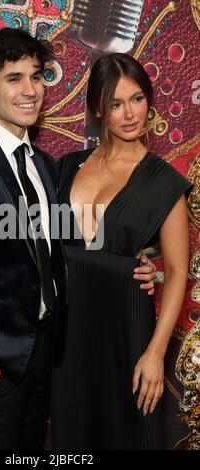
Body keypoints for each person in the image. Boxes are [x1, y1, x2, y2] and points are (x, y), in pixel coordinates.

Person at [0, 29, 155, 450]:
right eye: (14, 78)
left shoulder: (44, 165)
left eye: (37, 77)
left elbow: (63, 247)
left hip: (45, 356)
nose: (30, 91)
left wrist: (135, 264)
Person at [51, 53, 192, 450]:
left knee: (130, 436)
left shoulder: (164, 182)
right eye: (116, 103)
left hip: (128, 332)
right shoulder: (67, 167)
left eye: (138, 99)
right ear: (98, 107)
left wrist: (155, 353)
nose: (130, 114)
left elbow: (178, 271)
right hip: (69, 337)